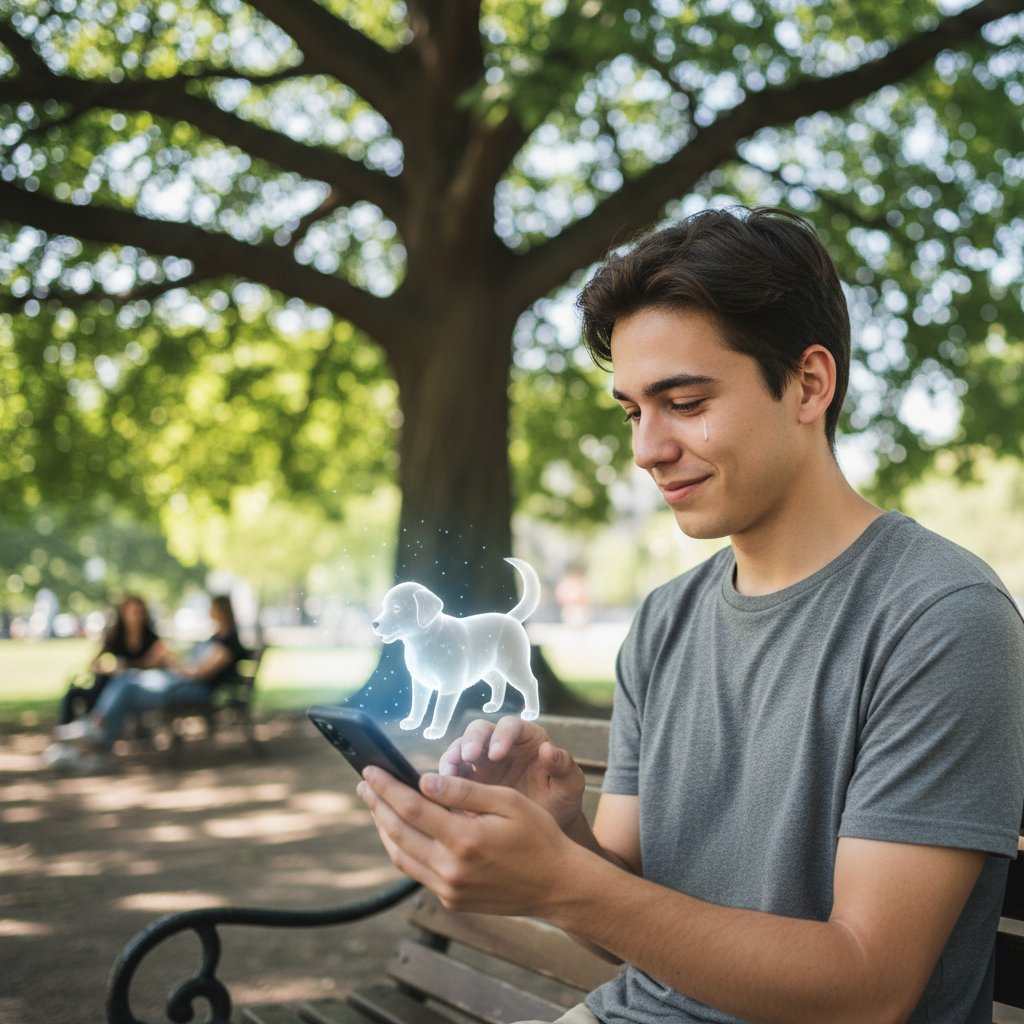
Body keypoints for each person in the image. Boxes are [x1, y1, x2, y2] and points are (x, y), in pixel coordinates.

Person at [357, 206, 1024, 1024]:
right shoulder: (665, 622)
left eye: (683, 400)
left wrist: (566, 883)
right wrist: (562, 831)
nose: (646, 448)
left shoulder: (940, 618)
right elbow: (631, 929)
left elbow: (867, 988)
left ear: (810, 384)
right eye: (633, 410)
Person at [52, 595, 247, 769]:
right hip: (183, 683)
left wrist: (177, 666)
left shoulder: (228, 642)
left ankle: (95, 728)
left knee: (128, 683)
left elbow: (202, 673)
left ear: (221, 611)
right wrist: (177, 665)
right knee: (128, 687)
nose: (209, 612)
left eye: (212, 608)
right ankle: (98, 751)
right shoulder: (217, 638)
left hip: (194, 689)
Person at [57, 594, 172, 726]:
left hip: (133, 687)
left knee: (114, 686)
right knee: (76, 691)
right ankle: (67, 733)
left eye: (138, 612)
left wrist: (136, 665)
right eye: (132, 612)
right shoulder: (115, 636)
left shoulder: (151, 638)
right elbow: (94, 663)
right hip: (110, 682)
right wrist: (108, 668)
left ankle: (95, 722)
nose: (135, 617)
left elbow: (165, 660)